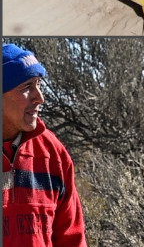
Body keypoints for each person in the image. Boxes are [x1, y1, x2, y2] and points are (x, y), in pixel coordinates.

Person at [2, 43, 87, 247]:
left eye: (38, 84)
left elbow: (72, 240)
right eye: (27, 87)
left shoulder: (53, 153)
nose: (40, 97)